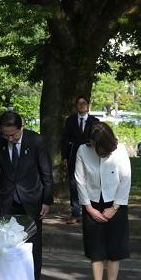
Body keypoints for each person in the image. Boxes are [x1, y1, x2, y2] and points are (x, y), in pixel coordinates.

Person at [0, 111, 53, 280]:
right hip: (6, 198)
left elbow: (46, 172)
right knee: (5, 241)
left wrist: (47, 200)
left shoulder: (36, 141)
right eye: (5, 135)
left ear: (21, 128)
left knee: (33, 243)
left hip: (32, 199)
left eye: (13, 135)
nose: (9, 139)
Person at [74, 122, 131, 280]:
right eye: (95, 147)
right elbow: (80, 180)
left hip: (116, 203)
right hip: (92, 204)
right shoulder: (83, 150)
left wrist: (114, 208)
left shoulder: (120, 150)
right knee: (96, 252)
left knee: (114, 251)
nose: (99, 152)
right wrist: (89, 209)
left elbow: (126, 178)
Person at [61, 95, 100, 224]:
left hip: (90, 157)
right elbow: (65, 139)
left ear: (88, 105)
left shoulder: (95, 121)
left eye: (84, 103)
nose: (81, 105)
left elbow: (99, 139)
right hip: (73, 157)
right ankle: (75, 213)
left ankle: (89, 212)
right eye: (78, 103)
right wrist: (64, 157)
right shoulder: (70, 121)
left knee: (91, 184)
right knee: (74, 185)